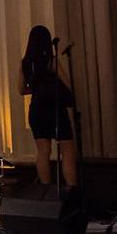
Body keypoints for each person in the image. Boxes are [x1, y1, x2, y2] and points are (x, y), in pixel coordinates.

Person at [21, 24, 79, 187]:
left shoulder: (25, 63)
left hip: (36, 110)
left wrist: (37, 87)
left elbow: (21, 89)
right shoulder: (51, 61)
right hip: (54, 109)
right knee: (67, 150)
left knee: (43, 151)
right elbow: (68, 84)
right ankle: (72, 189)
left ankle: (46, 188)